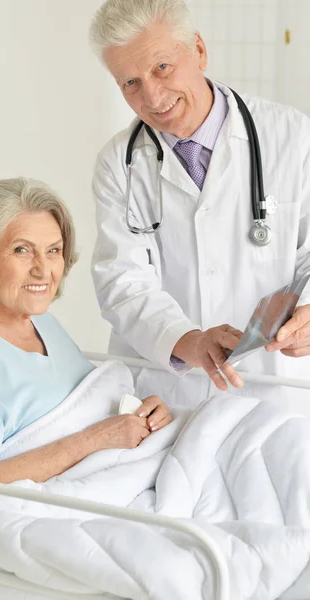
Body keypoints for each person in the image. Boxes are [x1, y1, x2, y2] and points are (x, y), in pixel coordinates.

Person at [89, 0, 310, 411]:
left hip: (275, 388)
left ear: (199, 51)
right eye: (130, 83)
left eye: (161, 68)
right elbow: (122, 281)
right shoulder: (118, 163)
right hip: (169, 396)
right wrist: (186, 341)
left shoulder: (292, 136)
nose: (153, 97)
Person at [0, 178, 172, 517]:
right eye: (22, 250)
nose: (43, 269)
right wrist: (96, 440)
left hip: (139, 466)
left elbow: (89, 404)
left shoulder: (38, 320)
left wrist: (143, 416)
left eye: (54, 250)